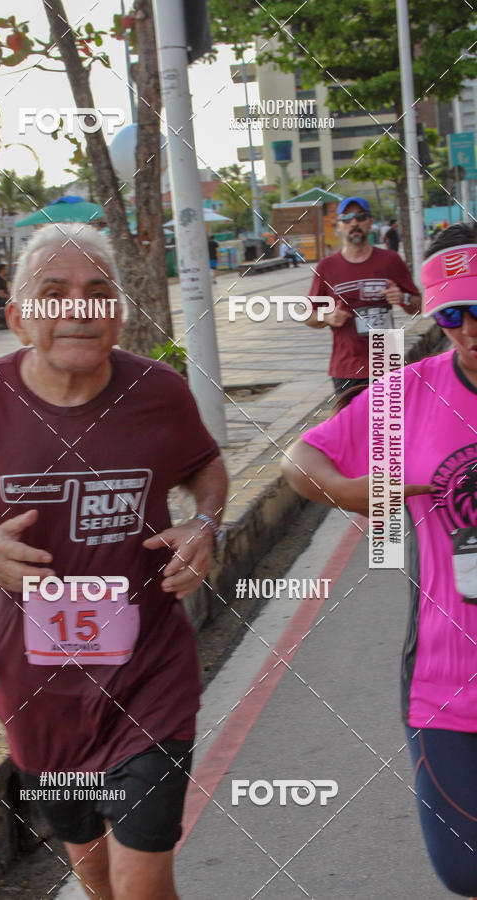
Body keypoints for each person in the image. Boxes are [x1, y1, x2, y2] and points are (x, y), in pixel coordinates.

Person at [0, 224, 229, 900]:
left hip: (150, 680)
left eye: (98, 293)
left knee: (141, 880)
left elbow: (206, 466)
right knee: (93, 866)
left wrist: (204, 523)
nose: (78, 309)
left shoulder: (158, 390)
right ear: (18, 317)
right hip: (38, 694)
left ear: (118, 314)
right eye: (53, 293)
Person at [283, 221, 477, 897]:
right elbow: (300, 459)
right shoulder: (412, 393)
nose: (469, 330)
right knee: (465, 869)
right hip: (447, 680)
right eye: (451, 316)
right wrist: (347, 491)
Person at [304, 196, 422, 395]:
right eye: (346, 218)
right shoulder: (327, 267)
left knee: (388, 417)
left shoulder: (390, 260)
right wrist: (328, 317)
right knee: (351, 418)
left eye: (360, 217)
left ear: (370, 222)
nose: (354, 223)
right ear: (338, 226)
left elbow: (419, 306)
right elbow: (308, 315)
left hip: (386, 364)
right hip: (346, 368)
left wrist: (403, 298)